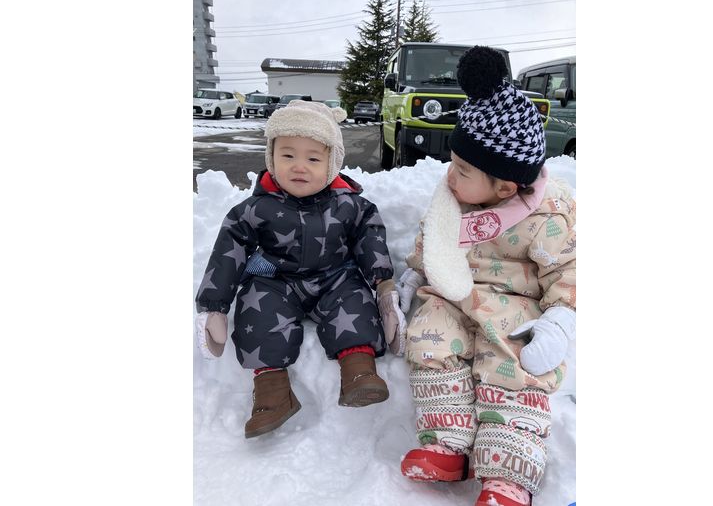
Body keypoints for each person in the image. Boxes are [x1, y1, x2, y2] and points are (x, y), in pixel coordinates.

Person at [386, 46, 577, 506]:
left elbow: (569, 271)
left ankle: (507, 473)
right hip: (451, 293)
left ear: (505, 187)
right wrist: (415, 279)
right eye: (453, 163)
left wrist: (559, 320)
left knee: (509, 365)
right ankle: (447, 444)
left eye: (463, 169)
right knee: (429, 339)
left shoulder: (547, 215)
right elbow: (431, 240)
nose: (450, 176)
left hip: (514, 305)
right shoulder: (454, 197)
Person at [194, 100, 398, 439]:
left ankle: (359, 371)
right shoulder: (256, 209)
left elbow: (370, 239)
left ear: (332, 163)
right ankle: (273, 394)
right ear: (271, 157)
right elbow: (228, 253)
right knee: (255, 308)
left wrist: (383, 282)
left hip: (335, 278)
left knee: (354, 301)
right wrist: (214, 305)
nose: (299, 166)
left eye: (313, 158)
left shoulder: (349, 205)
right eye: (287, 155)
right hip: (277, 280)